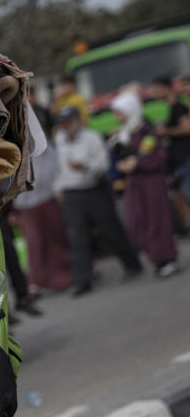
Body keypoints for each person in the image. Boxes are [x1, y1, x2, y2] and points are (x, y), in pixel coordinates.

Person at [52, 106, 143, 295]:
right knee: (77, 237)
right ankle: (82, 280)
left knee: (111, 230)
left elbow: (103, 165)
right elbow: (58, 168)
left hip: (94, 189)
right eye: (63, 123)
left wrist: (85, 166)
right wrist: (58, 189)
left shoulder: (92, 137)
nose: (66, 126)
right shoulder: (59, 140)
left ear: (77, 119)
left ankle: (132, 264)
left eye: (68, 121)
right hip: (71, 193)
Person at [110, 92, 179, 277]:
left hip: (151, 181)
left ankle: (166, 259)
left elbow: (154, 157)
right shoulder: (124, 133)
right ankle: (156, 256)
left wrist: (137, 163)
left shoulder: (146, 130)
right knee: (135, 223)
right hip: (134, 184)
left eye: (120, 112)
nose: (117, 117)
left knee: (157, 220)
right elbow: (123, 158)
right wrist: (122, 165)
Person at [12, 145, 74, 293]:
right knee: (34, 241)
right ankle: (35, 280)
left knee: (56, 236)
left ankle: (66, 273)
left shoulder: (42, 145)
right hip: (24, 204)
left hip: (48, 197)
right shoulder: (9, 147)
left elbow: (56, 166)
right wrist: (10, 211)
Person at [152, 76, 190, 231]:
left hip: (185, 157)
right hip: (178, 159)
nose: (154, 92)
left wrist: (164, 131)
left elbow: (187, 128)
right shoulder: (172, 107)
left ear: (167, 88)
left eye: (157, 89)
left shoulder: (178, 106)